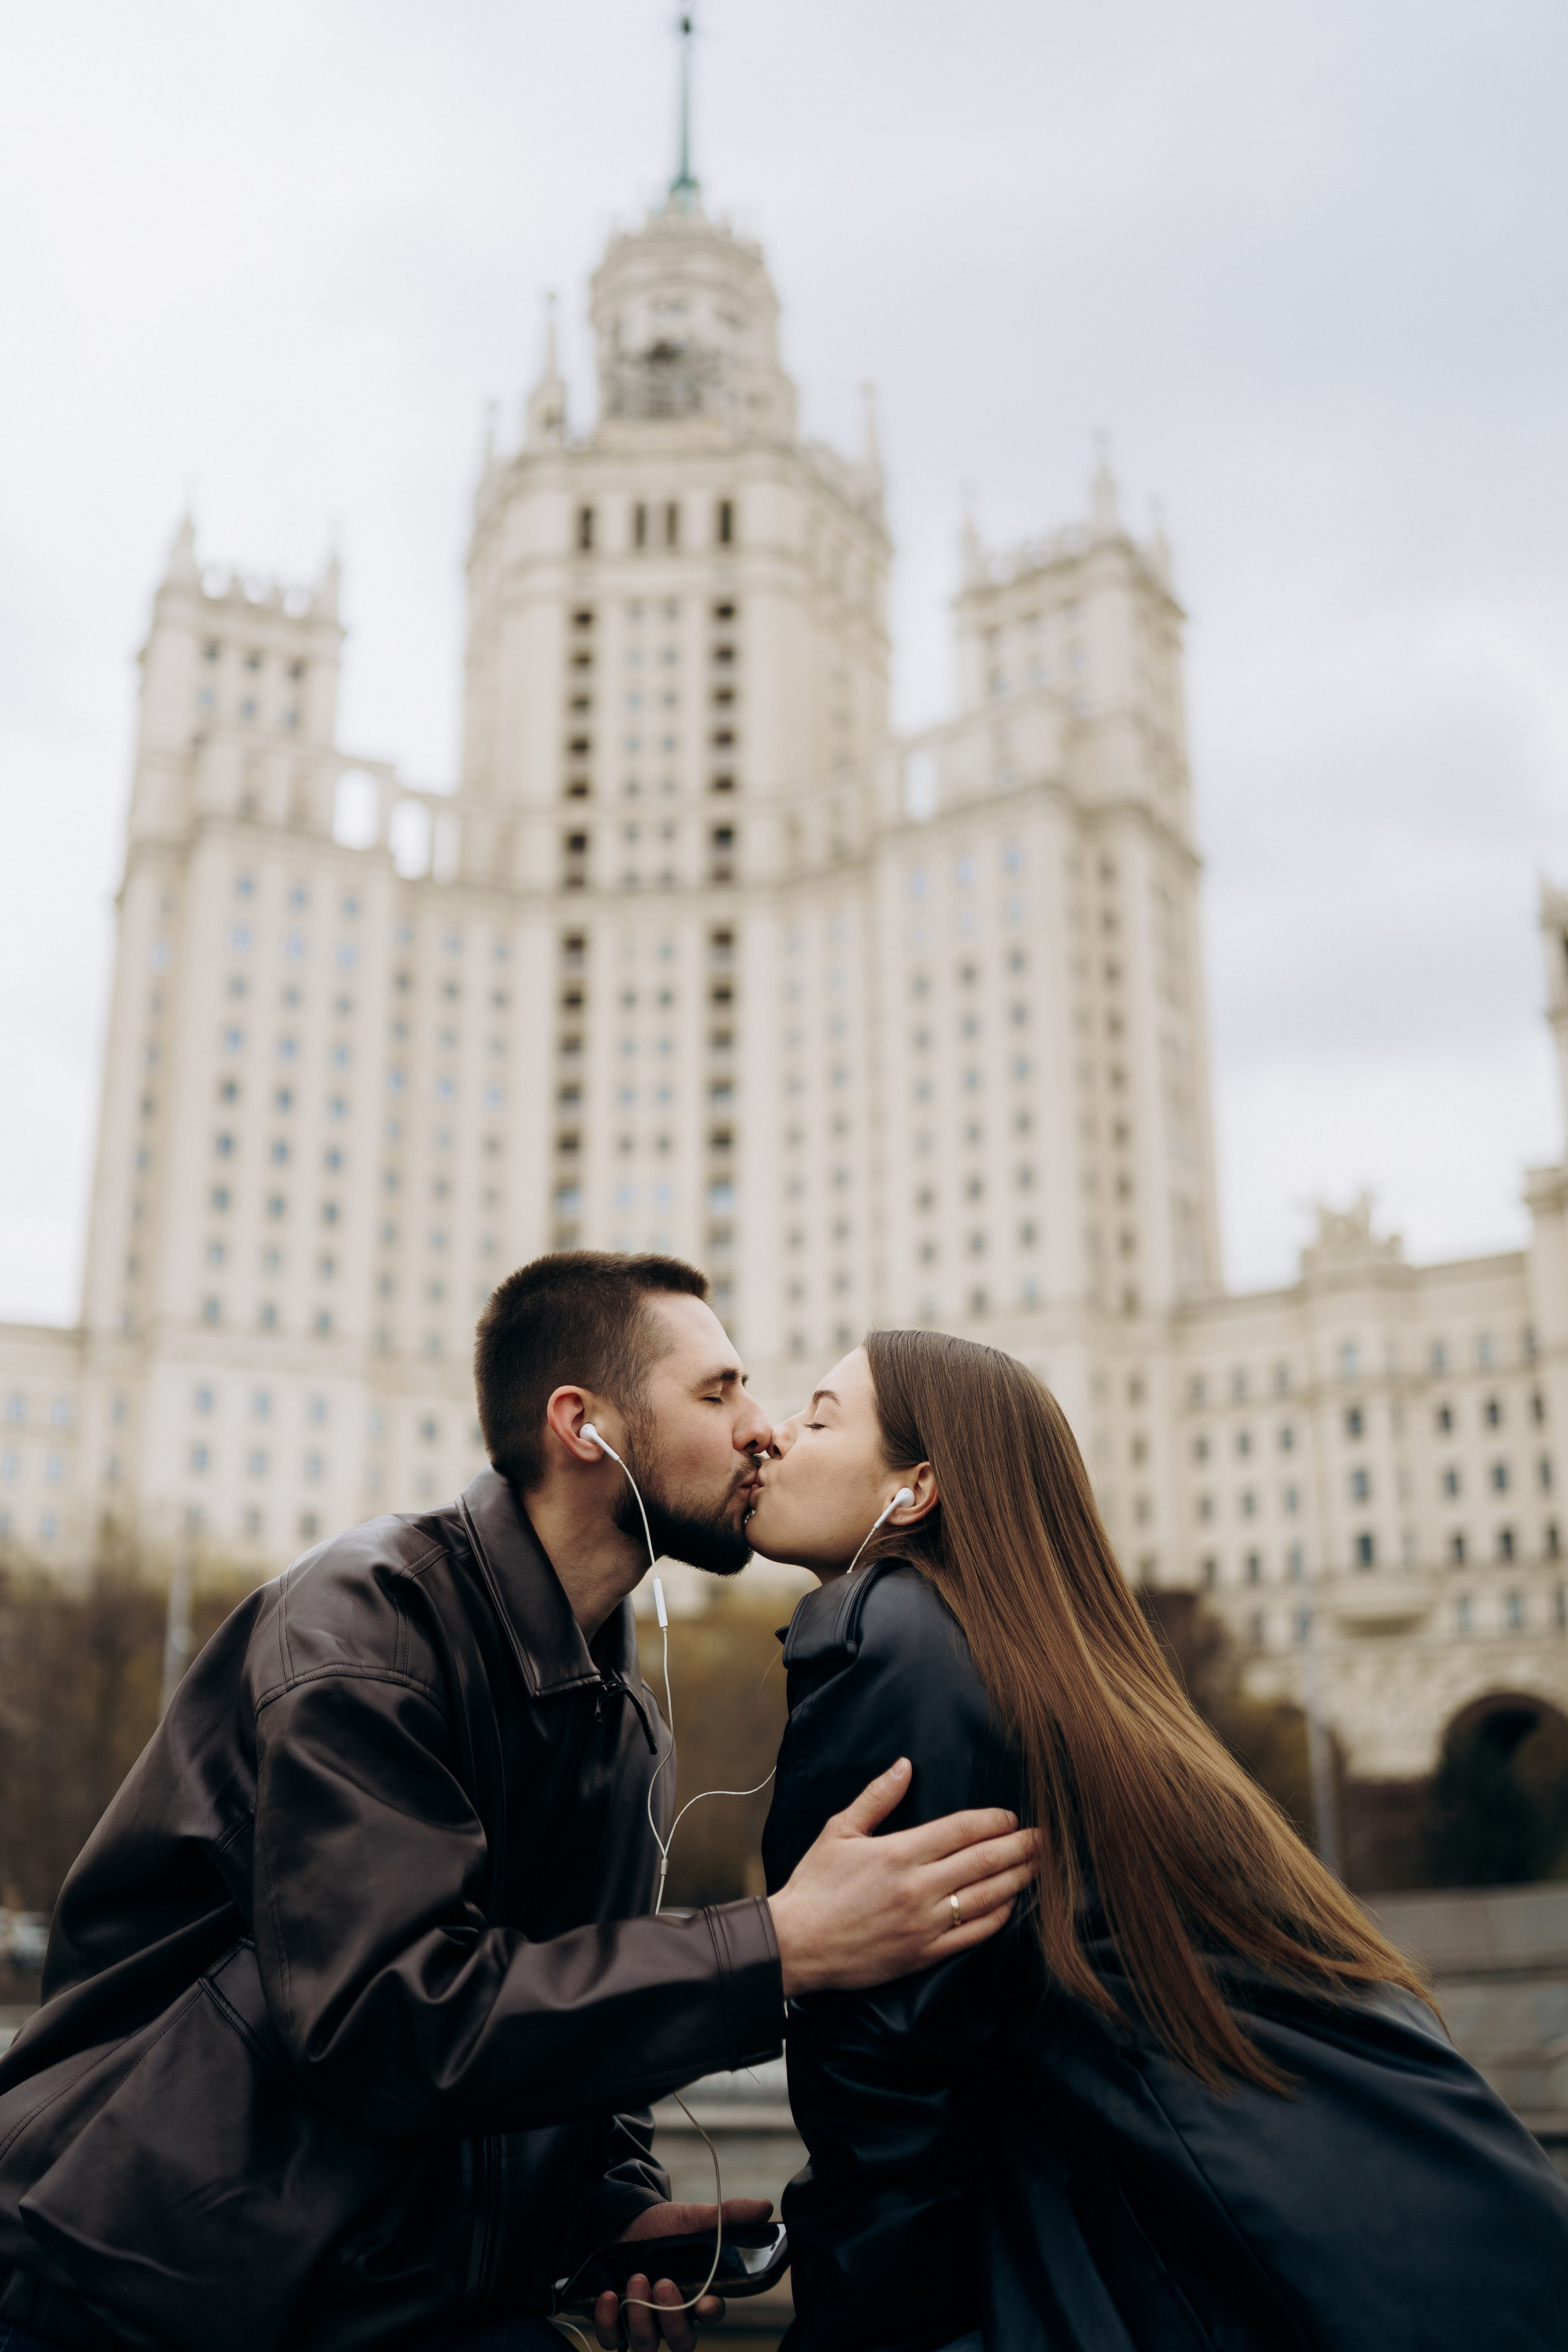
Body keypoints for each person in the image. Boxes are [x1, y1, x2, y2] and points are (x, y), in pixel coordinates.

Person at [0, 1258, 1035, 2352]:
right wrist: (778, 1947)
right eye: (717, 1392)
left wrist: (611, 2208)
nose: (760, 1429)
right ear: (584, 1427)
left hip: (403, 2300)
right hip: (144, 2290)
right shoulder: (368, 1621)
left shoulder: (628, 1726)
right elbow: (385, 2019)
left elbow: (569, 2038)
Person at [745, 1327, 1568, 2352]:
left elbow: (885, 2085)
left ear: (913, 1492)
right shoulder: (1052, 1667)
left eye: (819, 1419)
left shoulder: (889, 1633)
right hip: (1382, 2246)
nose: (772, 1434)